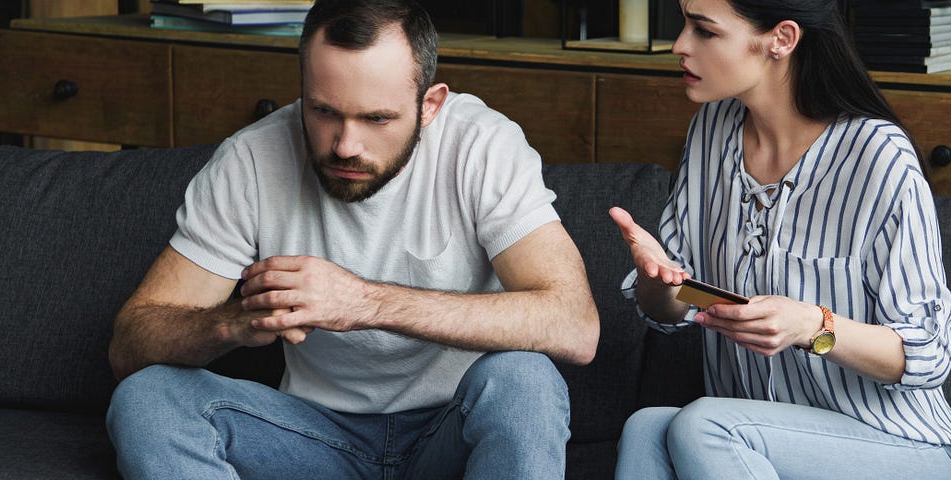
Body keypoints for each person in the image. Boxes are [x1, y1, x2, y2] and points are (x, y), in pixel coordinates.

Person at [104, 0, 598, 478]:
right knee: (146, 398)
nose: (345, 145)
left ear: (430, 105)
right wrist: (232, 323)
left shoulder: (481, 146)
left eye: (376, 119)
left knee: (525, 380)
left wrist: (365, 303)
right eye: (323, 112)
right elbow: (129, 346)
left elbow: (575, 326)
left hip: (452, 430)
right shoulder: (250, 161)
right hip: (312, 438)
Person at [607, 0, 951, 478]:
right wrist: (660, 280)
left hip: (902, 446)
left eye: (704, 31)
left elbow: (928, 354)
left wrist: (812, 326)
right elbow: (671, 311)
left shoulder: (878, 157)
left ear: (781, 39)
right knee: (645, 429)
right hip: (761, 444)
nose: (680, 45)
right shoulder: (710, 132)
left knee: (703, 425)